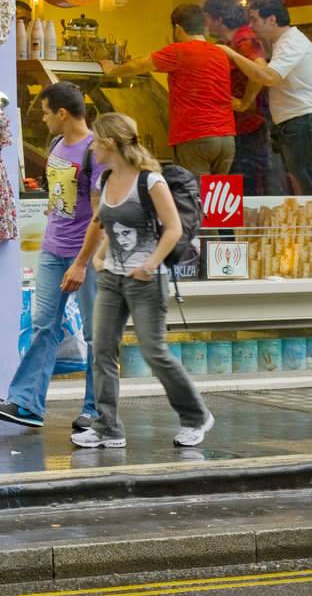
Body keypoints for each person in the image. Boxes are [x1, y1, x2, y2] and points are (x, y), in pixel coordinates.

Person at [71, 112, 213, 450]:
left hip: (146, 279)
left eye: (95, 142)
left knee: (154, 351)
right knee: (102, 350)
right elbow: (112, 226)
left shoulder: (151, 182)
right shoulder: (106, 180)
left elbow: (174, 229)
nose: (91, 148)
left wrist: (149, 265)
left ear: (109, 143)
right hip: (112, 278)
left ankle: (196, 416)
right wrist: (99, 256)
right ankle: (108, 428)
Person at [0, 82, 99, 431]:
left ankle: (96, 410)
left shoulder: (96, 151)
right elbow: (60, 196)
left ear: (62, 113)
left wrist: (82, 262)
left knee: (97, 335)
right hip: (52, 250)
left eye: (47, 113)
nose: (45, 120)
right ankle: (27, 403)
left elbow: (100, 214)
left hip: (85, 254)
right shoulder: (55, 144)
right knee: (43, 326)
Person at [218, 0, 312, 196]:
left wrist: (233, 55)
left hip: (304, 121)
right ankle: (310, 226)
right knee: (301, 187)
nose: (251, 25)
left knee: (308, 190)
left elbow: (269, 77)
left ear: (272, 19)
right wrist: (245, 102)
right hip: (299, 122)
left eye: (254, 19)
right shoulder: (283, 42)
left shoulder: (291, 42)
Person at [103, 4, 235, 176]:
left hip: (195, 136)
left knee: (193, 196)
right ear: (203, 27)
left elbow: (138, 65)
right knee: (217, 200)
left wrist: (112, 70)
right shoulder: (219, 53)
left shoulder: (178, 51)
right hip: (226, 139)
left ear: (178, 29)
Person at [202, 0, 275, 195]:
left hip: (249, 126)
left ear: (219, 19)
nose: (205, 23)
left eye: (207, 18)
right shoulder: (232, 42)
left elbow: (260, 70)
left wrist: (245, 102)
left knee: (246, 186)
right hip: (241, 126)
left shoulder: (243, 40)